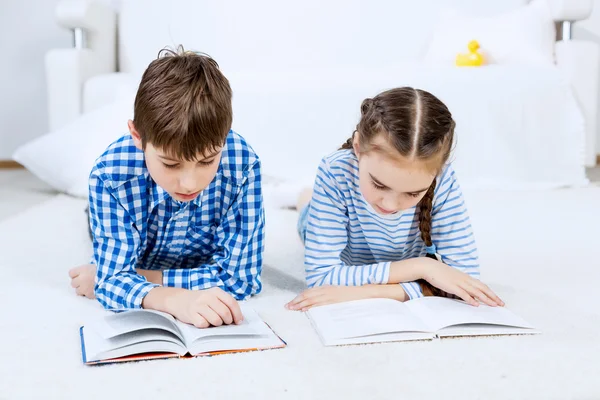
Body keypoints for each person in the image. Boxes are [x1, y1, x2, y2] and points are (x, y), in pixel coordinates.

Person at [69, 47, 265, 328]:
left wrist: (143, 278)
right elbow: (112, 281)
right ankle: (91, 209)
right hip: (129, 218)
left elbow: (241, 279)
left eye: (207, 161)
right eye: (171, 164)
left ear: (226, 136)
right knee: (96, 223)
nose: (190, 183)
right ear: (137, 136)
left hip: (161, 253)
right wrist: (173, 299)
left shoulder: (242, 165)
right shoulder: (109, 176)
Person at [286, 87, 503, 311]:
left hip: (387, 261)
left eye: (413, 193)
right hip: (330, 227)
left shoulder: (444, 179)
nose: (390, 205)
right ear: (358, 148)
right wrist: (424, 268)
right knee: (306, 214)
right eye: (379, 184)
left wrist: (373, 291)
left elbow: (464, 280)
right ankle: (302, 195)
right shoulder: (335, 170)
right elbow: (321, 278)